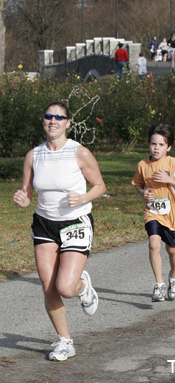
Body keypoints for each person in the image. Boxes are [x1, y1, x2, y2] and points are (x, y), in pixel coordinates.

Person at [13, 101, 106, 361]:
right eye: (48, 116)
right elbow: (27, 192)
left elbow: (100, 185)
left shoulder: (79, 152)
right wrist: (22, 199)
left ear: (68, 122)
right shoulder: (34, 155)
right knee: (48, 286)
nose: (52, 121)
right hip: (44, 223)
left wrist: (84, 197)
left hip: (75, 222)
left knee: (65, 287)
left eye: (59, 117)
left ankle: (83, 285)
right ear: (43, 120)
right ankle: (65, 341)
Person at [132, 124, 175, 302]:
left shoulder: (174, 164)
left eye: (161, 145)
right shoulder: (143, 165)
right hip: (152, 212)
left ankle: (174, 277)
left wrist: (169, 180)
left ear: (169, 147)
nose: (156, 148)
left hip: (171, 213)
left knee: (172, 249)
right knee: (153, 243)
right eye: (153, 144)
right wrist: (143, 193)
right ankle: (159, 284)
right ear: (148, 144)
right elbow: (137, 184)